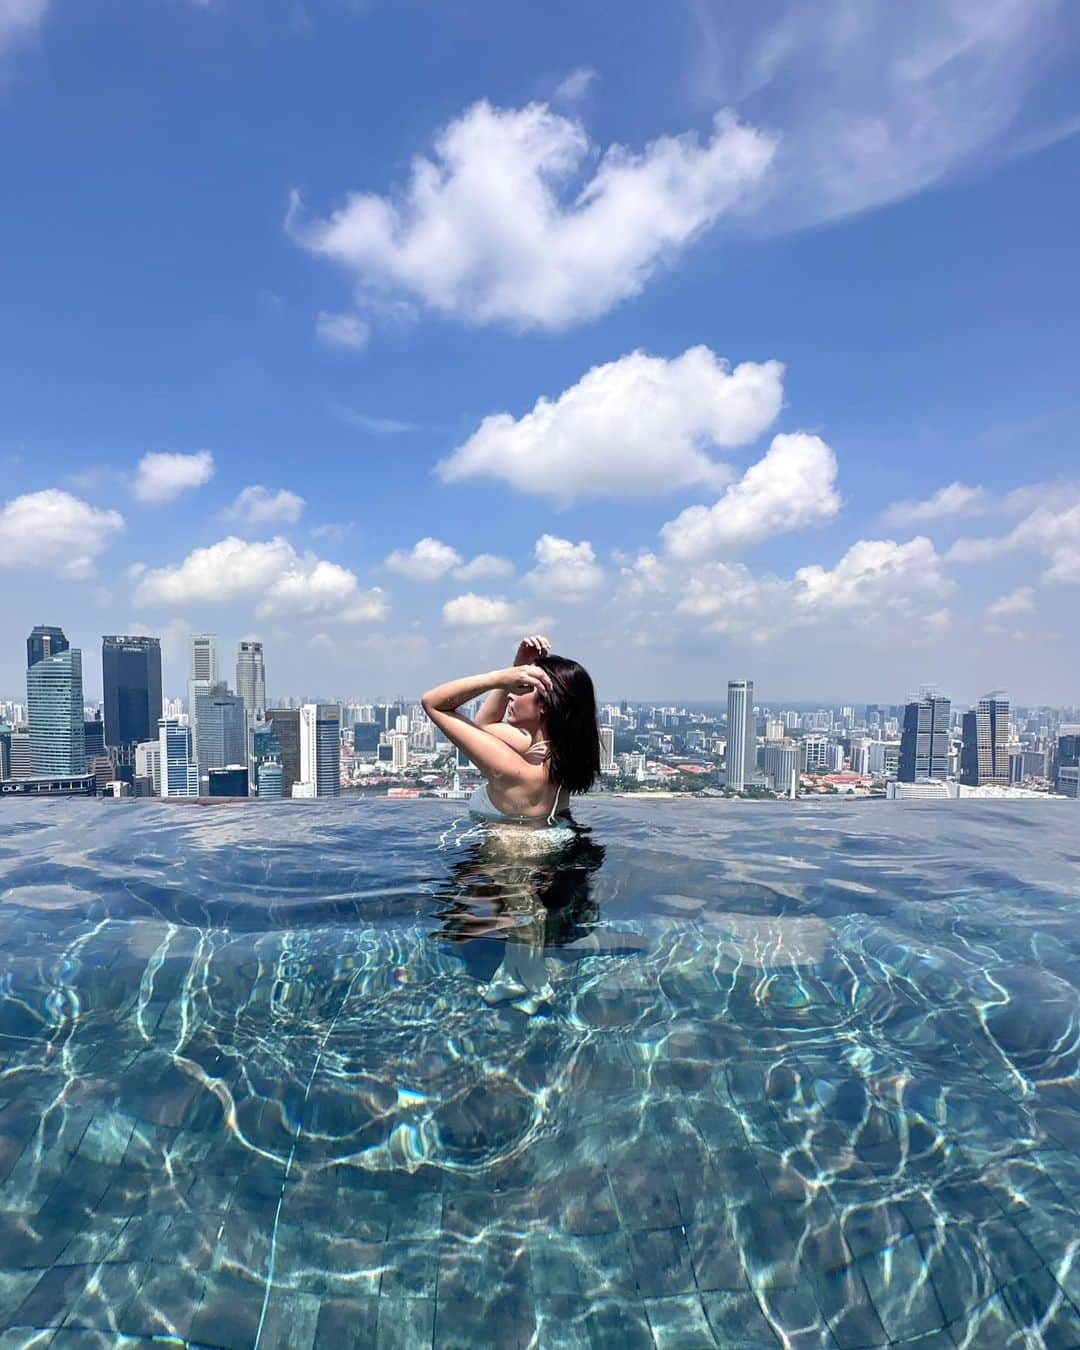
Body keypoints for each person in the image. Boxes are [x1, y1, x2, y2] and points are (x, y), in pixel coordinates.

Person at [420, 634, 601, 826]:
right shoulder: (556, 755)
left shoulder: (516, 769)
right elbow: (485, 725)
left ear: (545, 706)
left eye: (522, 686)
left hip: (504, 856)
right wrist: (518, 665)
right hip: (551, 847)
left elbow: (432, 703)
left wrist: (498, 678)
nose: (512, 694)